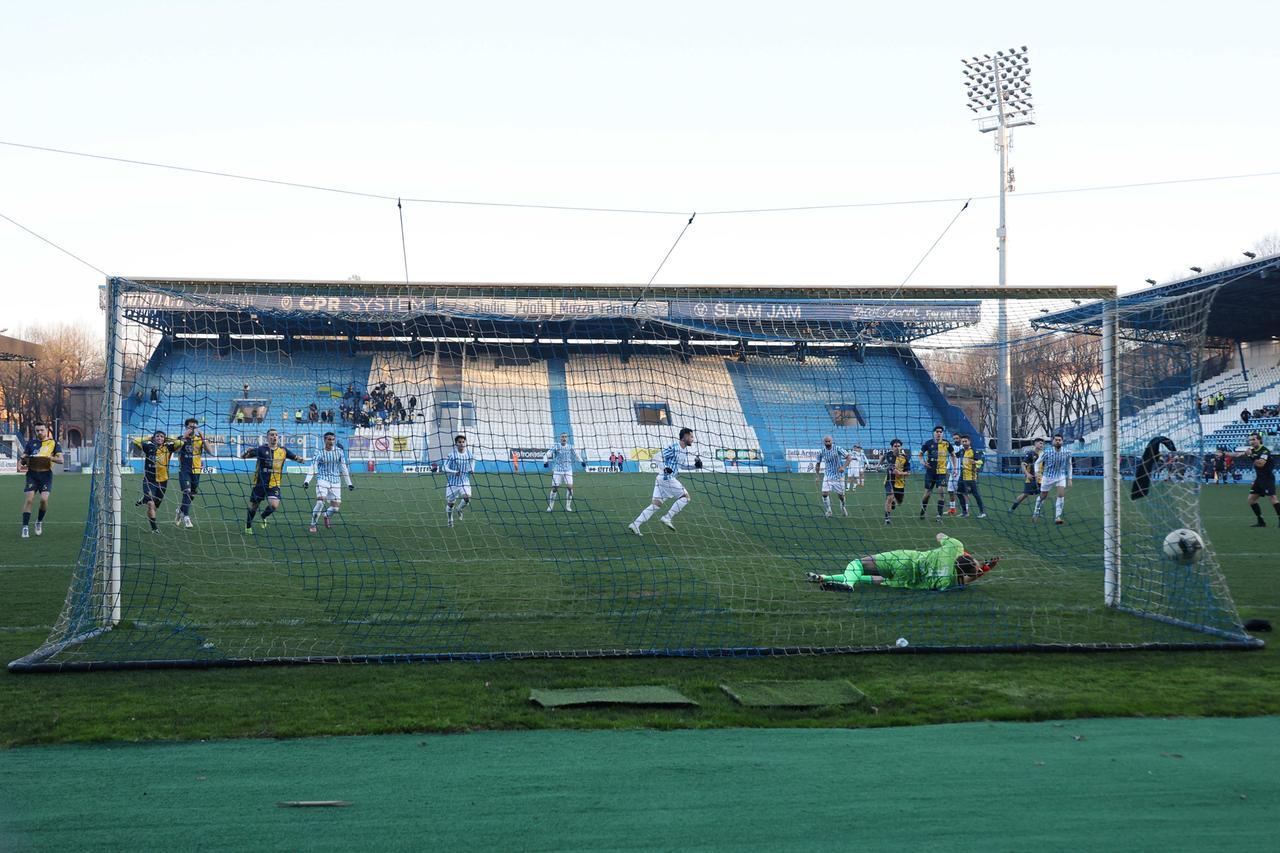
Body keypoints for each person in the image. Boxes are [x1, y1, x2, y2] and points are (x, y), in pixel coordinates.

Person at [805, 532, 998, 591]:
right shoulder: (948, 580)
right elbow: (967, 580)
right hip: (908, 580)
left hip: (905, 558)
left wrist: (959, 550)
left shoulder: (955, 545)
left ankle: (847, 582)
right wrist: (985, 570)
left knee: (857, 564)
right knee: (872, 579)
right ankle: (824, 577)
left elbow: (939, 535)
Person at [628, 427, 695, 535]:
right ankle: (667, 517)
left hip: (662, 479)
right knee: (686, 497)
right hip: (667, 478)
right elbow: (657, 456)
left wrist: (695, 467)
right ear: (685, 436)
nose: (693, 439)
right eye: (691, 436)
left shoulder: (684, 451)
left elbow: (681, 466)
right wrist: (664, 468)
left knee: (656, 505)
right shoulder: (674, 447)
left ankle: (635, 524)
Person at [240, 428, 305, 534]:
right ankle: (248, 526)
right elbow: (243, 457)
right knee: (253, 506)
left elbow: (295, 457)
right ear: (267, 437)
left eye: (276, 435)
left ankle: (263, 516)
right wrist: (246, 452)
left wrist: (301, 460)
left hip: (274, 484)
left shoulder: (283, 451)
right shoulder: (261, 449)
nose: (274, 437)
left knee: (274, 505)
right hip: (259, 483)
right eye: (272, 435)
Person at [18, 422, 63, 538]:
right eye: (37, 430)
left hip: (46, 475)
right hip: (32, 474)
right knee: (29, 500)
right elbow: (23, 460)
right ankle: (25, 527)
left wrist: (50, 458)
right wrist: (22, 460)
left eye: (42, 430)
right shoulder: (31, 443)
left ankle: (38, 522)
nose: (39, 433)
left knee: (43, 500)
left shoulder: (53, 443)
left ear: (46, 429)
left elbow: (61, 460)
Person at [131, 429, 181, 533]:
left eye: (162, 437)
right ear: (154, 438)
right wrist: (149, 438)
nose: (159, 438)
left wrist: (168, 439)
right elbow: (136, 441)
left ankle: (144, 499)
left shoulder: (168, 448)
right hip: (149, 480)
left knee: (155, 506)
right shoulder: (148, 447)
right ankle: (154, 528)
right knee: (151, 504)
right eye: (157, 436)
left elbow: (180, 443)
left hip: (163, 481)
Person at [304, 431, 354, 532]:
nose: (331, 441)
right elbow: (313, 467)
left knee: (335, 508)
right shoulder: (319, 453)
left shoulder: (339, 452)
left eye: (333, 439)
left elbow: (343, 468)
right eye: (329, 439)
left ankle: (326, 515)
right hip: (322, 479)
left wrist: (349, 483)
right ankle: (313, 525)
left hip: (335, 481)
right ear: (324, 440)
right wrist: (307, 481)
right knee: (320, 501)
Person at [1033, 433, 1072, 524]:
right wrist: (1036, 472)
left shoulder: (1067, 452)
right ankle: (1036, 512)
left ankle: (1057, 517)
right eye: (1056, 440)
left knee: (1061, 494)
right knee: (1043, 496)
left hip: (1060, 476)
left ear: (1062, 441)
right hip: (1048, 476)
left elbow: (1069, 465)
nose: (1058, 441)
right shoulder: (1047, 452)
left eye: (1059, 440)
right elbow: (1037, 463)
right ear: (1053, 441)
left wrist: (1070, 478)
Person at [174, 417, 206, 528]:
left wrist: (204, 439)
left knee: (192, 495)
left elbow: (210, 451)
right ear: (186, 427)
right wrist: (184, 437)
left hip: (196, 470)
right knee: (187, 492)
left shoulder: (199, 439)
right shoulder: (180, 439)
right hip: (184, 470)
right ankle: (186, 517)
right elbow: (176, 450)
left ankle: (180, 510)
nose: (192, 428)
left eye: (195, 427)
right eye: (190, 426)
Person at [543, 432, 586, 512]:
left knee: (570, 488)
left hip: (568, 470)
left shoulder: (570, 447)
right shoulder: (556, 446)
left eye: (565, 437)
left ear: (567, 438)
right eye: (562, 437)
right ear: (560, 438)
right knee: (555, 488)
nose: (564, 438)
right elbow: (547, 454)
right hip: (557, 471)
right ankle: (550, 506)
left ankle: (568, 506)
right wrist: (545, 462)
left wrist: (581, 461)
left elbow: (576, 455)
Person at [918, 425, 953, 521]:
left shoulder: (946, 443)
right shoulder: (928, 443)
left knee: (941, 491)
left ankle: (939, 515)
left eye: (940, 432)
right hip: (930, 472)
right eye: (937, 431)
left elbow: (953, 455)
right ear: (934, 433)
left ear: (942, 433)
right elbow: (920, 455)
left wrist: (954, 468)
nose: (938, 433)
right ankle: (923, 510)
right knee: (927, 494)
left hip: (942, 472)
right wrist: (923, 463)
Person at [1244, 432, 1278, 527]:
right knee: (1251, 500)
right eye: (1250, 440)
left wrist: (1250, 456)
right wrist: (1225, 454)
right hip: (1259, 479)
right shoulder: (1252, 450)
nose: (1252, 441)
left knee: (1273, 499)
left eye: (1254, 439)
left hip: (1267, 478)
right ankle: (1261, 522)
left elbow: (1260, 464)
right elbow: (1239, 455)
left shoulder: (1264, 451)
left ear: (1259, 440)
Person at [814, 435, 851, 518]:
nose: (827, 443)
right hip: (828, 475)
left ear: (832, 441)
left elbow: (849, 457)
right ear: (824, 442)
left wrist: (843, 467)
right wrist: (817, 476)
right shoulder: (821, 452)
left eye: (829, 441)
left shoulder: (838, 448)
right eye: (826, 441)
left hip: (839, 476)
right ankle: (829, 511)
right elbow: (817, 464)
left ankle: (843, 506)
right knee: (824, 493)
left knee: (841, 496)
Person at [442, 434, 474, 528]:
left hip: (464, 482)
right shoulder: (451, 455)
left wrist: (472, 469)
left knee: (467, 498)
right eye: (459, 442)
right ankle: (449, 519)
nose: (461, 443)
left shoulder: (469, 454)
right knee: (450, 504)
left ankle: (459, 509)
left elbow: (472, 461)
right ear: (456, 444)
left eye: (463, 442)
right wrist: (454, 472)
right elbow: (444, 467)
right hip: (452, 484)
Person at [1009, 438, 1044, 514]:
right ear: (1035, 444)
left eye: (1042, 443)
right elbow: (1023, 464)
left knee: (1043, 494)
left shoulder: (1043, 454)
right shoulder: (1030, 453)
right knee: (1025, 494)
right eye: (1040, 443)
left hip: (1040, 478)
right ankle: (1012, 508)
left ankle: (1037, 511)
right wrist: (1027, 474)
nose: (1041, 445)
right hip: (1031, 478)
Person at [955, 434, 987, 518]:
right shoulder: (962, 451)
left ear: (969, 442)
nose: (964, 443)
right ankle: (964, 512)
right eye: (963, 441)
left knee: (975, 494)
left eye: (966, 441)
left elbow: (980, 461)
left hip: (971, 476)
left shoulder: (974, 451)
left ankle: (982, 512)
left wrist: (975, 462)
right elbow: (954, 455)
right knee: (959, 493)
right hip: (962, 476)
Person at [882, 438, 911, 525]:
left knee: (899, 502)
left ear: (901, 447)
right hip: (889, 480)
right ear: (892, 447)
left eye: (899, 446)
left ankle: (894, 501)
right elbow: (883, 458)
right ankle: (887, 518)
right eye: (895, 446)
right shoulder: (889, 455)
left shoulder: (905, 458)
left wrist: (901, 473)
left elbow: (909, 473)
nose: (897, 448)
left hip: (900, 483)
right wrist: (879, 464)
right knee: (889, 497)